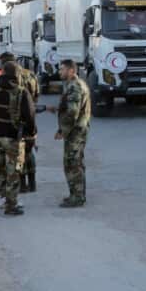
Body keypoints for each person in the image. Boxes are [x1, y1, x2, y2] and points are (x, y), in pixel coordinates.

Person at [0, 61, 35, 216]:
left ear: (3, 72)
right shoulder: (22, 92)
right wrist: (30, 134)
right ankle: (10, 206)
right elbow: (30, 116)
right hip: (13, 140)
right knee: (13, 174)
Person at [0, 51, 42, 192]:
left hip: (16, 119)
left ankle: (22, 184)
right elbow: (37, 95)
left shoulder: (11, 76)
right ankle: (33, 183)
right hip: (30, 115)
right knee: (29, 150)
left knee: (18, 152)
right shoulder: (31, 74)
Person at [55, 59, 91, 207]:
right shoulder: (74, 84)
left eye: (62, 69)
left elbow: (72, 113)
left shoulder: (75, 87)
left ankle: (77, 197)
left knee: (72, 164)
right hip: (77, 130)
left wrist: (63, 131)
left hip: (75, 132)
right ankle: (77, 194)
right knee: (76, 163)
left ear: (71, 71)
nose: (60, 72)